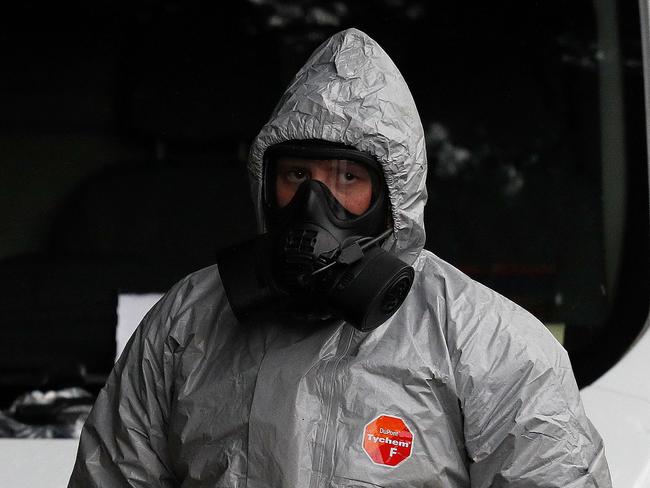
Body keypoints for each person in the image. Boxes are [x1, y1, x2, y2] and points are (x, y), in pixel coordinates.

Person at [68, 28, 612, 487]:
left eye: (347, 178)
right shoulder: (188, 322)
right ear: (266, 184)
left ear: (394, 193)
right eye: (296, 176)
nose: (313, 205)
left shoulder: (484, 342)